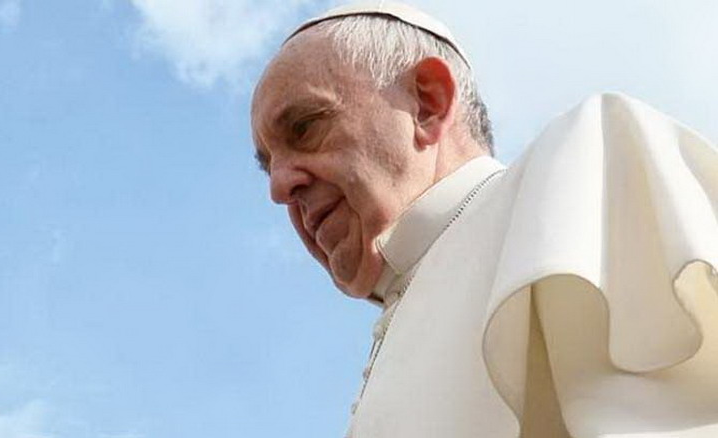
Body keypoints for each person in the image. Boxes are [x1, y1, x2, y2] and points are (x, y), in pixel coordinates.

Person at [250, 2, 718, 437]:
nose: (278, 187)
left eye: (305, 127)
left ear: (427, 103)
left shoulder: (591, 164)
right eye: (268, 163)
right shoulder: (395, 316)